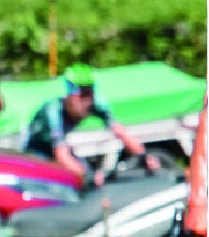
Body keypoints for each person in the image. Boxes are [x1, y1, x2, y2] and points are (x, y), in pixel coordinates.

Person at [21, 63, 158, 185]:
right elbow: (61, 155)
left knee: (84, 171)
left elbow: (121, 132)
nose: (87, 101)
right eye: (82, 94)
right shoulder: (53, 110)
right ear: (69, 95)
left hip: (60, 149)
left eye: (90, 93)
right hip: (36, 151)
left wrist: (144, 156)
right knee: (69, 177)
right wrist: (89, 177)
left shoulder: (95, 104)